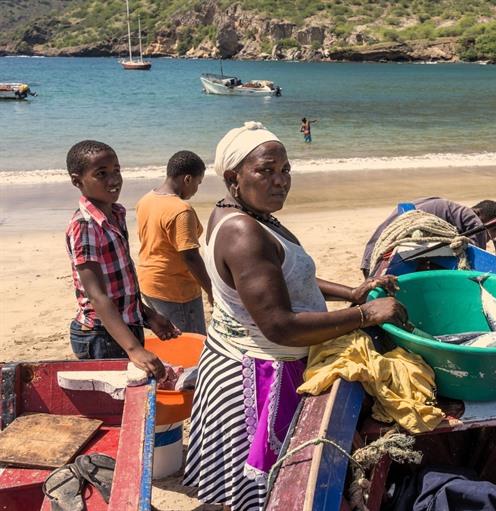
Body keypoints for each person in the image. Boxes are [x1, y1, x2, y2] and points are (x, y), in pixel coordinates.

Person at [182, 121, 406, 510]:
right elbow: (280, 325)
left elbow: (284, 277)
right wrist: (365, 314)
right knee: (267, 493)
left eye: (285, 170)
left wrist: (349, 293)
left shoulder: (239, 212)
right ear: (234, 176)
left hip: (234, 356)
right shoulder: (243, 232)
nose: (280, 181)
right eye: (265, 171)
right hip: (255, 378)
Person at [65, 140, 179, 379]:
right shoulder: (85, 226)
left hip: (125, 326)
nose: (113, 180)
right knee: (118, 402)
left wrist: (148, 316)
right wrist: (134, 349)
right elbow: (98, 295)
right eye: (101, 174)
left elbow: (122, 286)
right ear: (77, 181)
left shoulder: (116, 214)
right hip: (100, 335)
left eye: (116, 171)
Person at [136, 150, 212, 335]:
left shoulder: (147, 199)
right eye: (198, 183)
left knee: (171, 340)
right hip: (175, 290)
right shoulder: (181, 210)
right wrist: (211, 290)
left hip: (149, 282)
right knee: (191, 343)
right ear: (187, 179)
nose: (196, 189)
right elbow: (190, 256)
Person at [361, 197, 496, 277]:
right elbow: (474, 260)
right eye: (488, 237)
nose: (485, 240)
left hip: (371, 258)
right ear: (478, 213)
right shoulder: (469, 216)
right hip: (387, 259)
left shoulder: (444, 210)